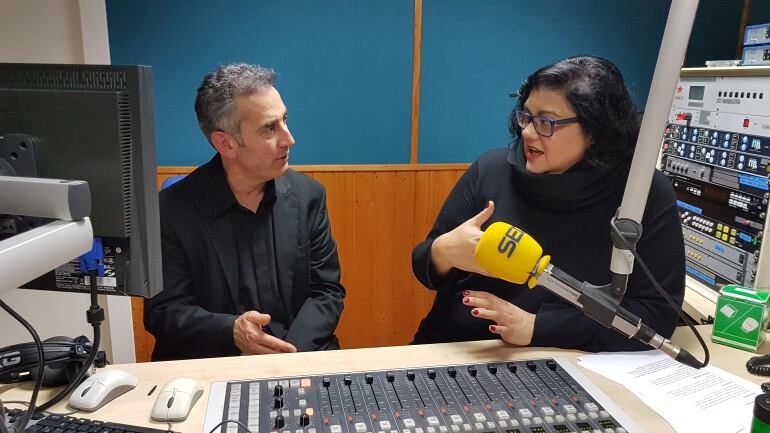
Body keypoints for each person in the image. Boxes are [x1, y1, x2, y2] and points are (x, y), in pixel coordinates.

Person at [411, 56, 685, 352]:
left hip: (570, 361)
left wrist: (536, 327)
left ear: (595, 131)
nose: (527, 132)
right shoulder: (490, 170)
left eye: (545, 122)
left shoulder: (642, 192)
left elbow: (656, 318)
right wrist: (442, 252)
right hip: (455, 352)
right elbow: (423, 264)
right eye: (525, 116)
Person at [145, 63, 345, 360]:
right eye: (269, 128)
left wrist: (287, 354)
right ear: (226, 143)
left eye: (285, 120)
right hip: (212, 365)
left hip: (301, 355)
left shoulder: (308, 196)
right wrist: (232, 332)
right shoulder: (171, 210)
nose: (288, 139)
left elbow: (327, 291)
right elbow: (164, 312)